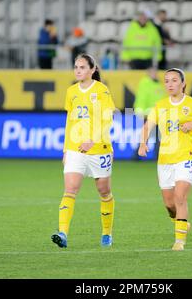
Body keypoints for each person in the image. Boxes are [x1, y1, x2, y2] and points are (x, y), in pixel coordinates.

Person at [138, 68, 192, 251]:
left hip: (186, 156)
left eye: (174, 80)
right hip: (165, 159)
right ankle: (181, 222)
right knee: (169, 204)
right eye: (166, 81)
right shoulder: (160, 105)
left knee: (180, 197)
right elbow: (147, 126)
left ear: (183, 83)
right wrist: (143, 144)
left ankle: (179, 241)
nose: (170, 84)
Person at [51, 53, 116, 248]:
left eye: (82, 67)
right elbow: (70, 121)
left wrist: (93, 139)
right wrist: (65, 149)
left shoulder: (102, 91)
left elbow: (108, 119)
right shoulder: (71, 91)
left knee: (104, 192)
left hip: (99, 148)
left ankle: (106, 232)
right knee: (70, 190)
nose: (78, 70)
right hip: (75, 148)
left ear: (92, 69)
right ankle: (62, 233)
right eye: (76, 67)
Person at [133, 67, 166, 160]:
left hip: (159, 114)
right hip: (149, 114)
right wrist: (141, 110)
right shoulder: (145, 83)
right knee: (152, 136)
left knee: (154, 136)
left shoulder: (159, 84)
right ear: (149, 73)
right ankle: (139, 155)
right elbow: (142, 98)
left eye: (156, 72)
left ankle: (138, 155)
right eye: (153, 72)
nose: (155, 74)